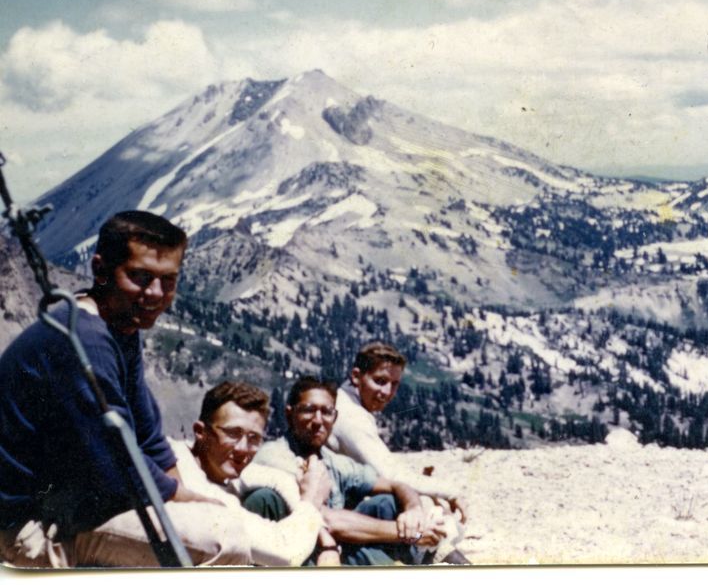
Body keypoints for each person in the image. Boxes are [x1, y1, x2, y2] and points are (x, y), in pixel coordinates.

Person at [0, 210, 252, 567]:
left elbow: (148, 437)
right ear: (101, 270)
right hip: (27, 527)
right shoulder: (84, 340)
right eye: (140, 277)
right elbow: (115, 468)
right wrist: (190, 501)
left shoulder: (120, 323)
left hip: (70, 501)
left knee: (214, 513)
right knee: (226, 541)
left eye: (168, 280)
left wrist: (187, 500)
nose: (155, 294)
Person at [253, 377, 447, 566]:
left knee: (388, 502)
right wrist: (408, 533)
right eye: (309, 410)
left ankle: (424, 557)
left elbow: (395, 484)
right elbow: (324, 519)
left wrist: (413, 509)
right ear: (289, 414)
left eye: (327, 412)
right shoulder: (275, 457)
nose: (318, 420)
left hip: (333, 543)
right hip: (295, 551)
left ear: (335, 418)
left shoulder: (332, 461)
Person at [169, 380, 339, 566]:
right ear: (200, 432)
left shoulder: (216, 464)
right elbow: (286, 552)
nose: (243, 449)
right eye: (233, 433)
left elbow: (279, 479)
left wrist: (323, 534)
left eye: (254, 438)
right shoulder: (189, 479)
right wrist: (311, 501)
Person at [330, 341, 470, 564]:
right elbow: (391, 475)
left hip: (341, 502)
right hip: (334, 514)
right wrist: (450, 492)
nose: (387, 392)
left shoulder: (348, 403)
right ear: (356, 376)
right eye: (380, 381)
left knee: (420, 500)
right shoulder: (350, 417)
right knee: (412, 504)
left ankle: (433, 554)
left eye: (394, 384)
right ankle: (437, 557)